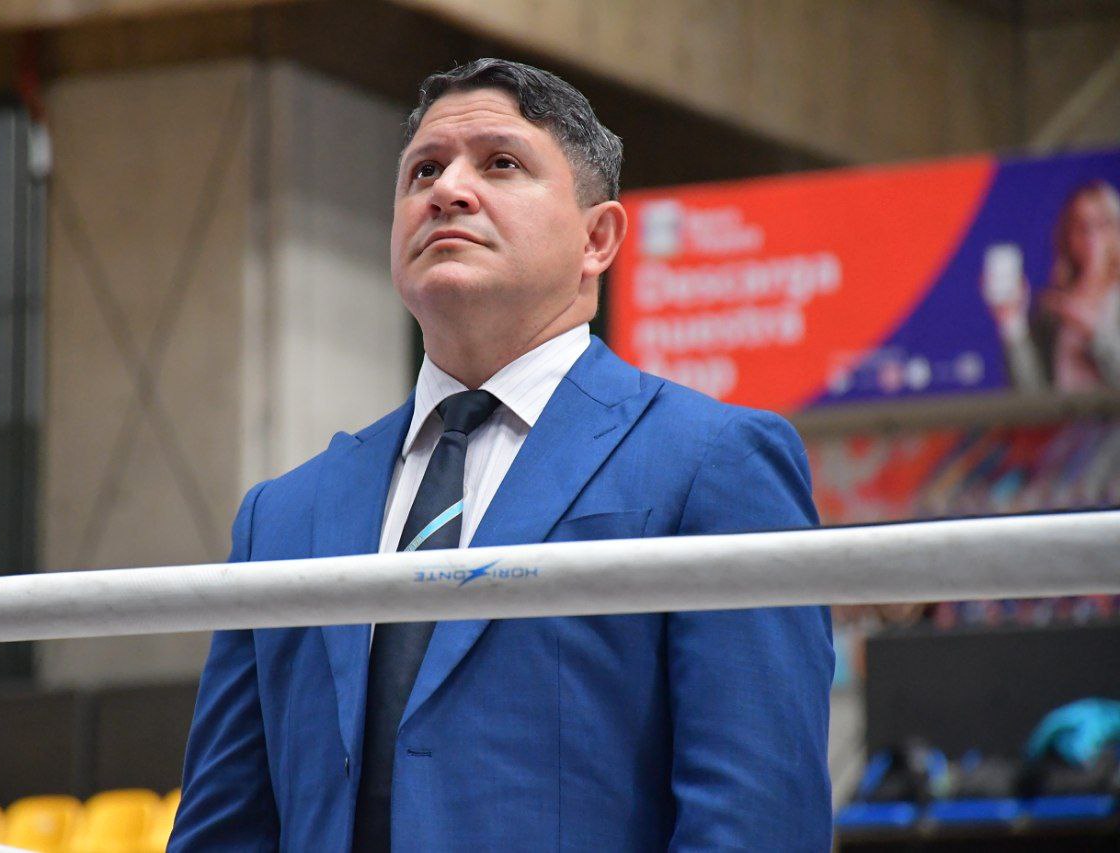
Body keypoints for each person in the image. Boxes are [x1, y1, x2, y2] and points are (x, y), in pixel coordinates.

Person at [169, 58, 833, 851]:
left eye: (501, 163)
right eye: (424, 170)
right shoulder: (281, 517)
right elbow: (224, 830)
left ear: (597, 238)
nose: (448, 189)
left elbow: (758, 820)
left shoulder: (713, 463)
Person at [992, 179, 1120, 392]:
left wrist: (1095, 334)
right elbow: (1031, 397)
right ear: (1067, 235)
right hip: (1068, 415)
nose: (1091, 235)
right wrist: (1012, 323)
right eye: (1080, 225)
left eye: (1101, 223)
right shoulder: (1053, 310)